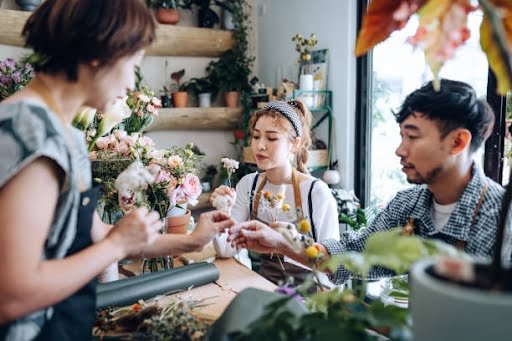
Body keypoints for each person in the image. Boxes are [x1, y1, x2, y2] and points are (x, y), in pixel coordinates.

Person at [0, 1, 233, 340]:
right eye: (134, 64)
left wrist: (193, 241)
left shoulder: (66, 134)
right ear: (98, 53)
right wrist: (116, 247)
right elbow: (13, 295)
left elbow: (98, 235)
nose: (131, 82)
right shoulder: (30, 130)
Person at [228, 79, 505, 285]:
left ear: (458, 141)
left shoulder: (501, 217)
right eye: (401, 136)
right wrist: (282, 243)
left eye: (413, 137)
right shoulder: (408, 206)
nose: (400, 149)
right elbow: (350, 256)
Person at [211, 99, 339, 285]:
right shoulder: (249, 185)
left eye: (271, 138)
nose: (260, 145)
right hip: (262, 285)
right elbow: (225, 250)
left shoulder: (315, 192)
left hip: (306, 297)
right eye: (256, 136)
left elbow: (332, 266)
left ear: (294, 144)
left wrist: (288, 241)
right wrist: (223, 212)